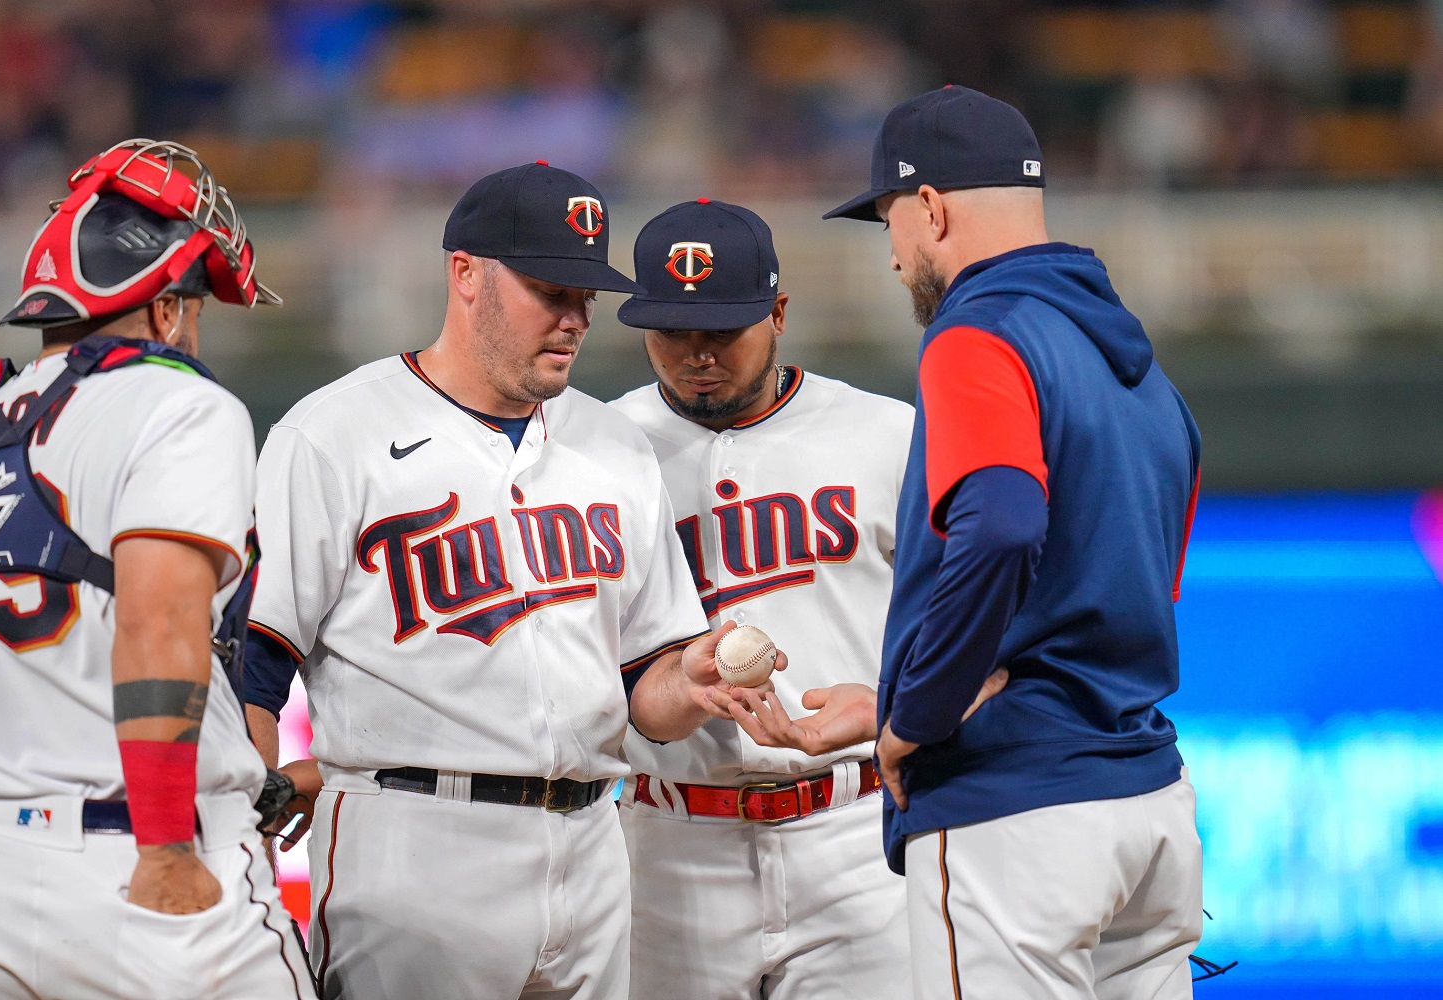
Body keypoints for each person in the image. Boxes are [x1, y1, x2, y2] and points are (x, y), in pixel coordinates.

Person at [242, 162, 767, 1000]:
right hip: (415, 840)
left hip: (595, 843)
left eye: (586, 298)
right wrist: (236, 841)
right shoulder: (332, 433)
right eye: (549, 291)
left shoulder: (614, 444)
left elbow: (646, 689)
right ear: (465, 275)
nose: (573, 320)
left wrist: (691, 679)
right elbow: (255, 666)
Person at [819, 86, 1205, 998]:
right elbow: (1146, 564)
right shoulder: (1135, 362)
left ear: (932, 207)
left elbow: (1001, 524)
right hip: (1148, 804)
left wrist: (915, 714)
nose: (893, 257)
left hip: (1020, 812)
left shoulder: (977, 331)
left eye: (889, 226)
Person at [0, 139, 315, 999]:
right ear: (164, 312)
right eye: (198, 304)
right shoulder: (179, 402)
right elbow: (160, 622)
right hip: (132, 864)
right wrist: (164, 846)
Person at [608, 198, 916, 1000]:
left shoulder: (887, 436)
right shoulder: (593, 451)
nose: (698, 353)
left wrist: (893, 707)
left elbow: (976, 624)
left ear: (779, 313)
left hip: (853, 831)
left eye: (723, 329)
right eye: (675, 330)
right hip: (667, 842)